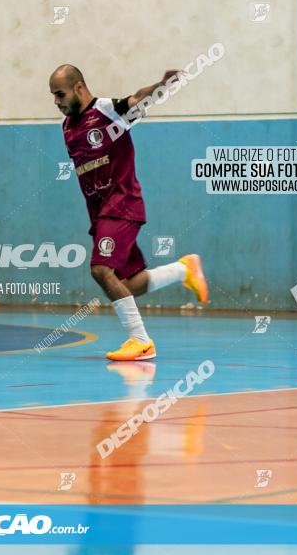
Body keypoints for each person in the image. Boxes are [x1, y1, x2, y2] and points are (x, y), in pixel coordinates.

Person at [50, 65, 207, 361]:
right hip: (100, 216)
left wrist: (162, 86)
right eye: (53, 96)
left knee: (100, 269)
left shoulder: (108, 111)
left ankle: (141, 341)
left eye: (60, 94)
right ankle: (184, 269)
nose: (56, 101)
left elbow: (137, 99)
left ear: (79, 88)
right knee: (129, 283)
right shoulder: (68, 127)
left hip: (122, 205)